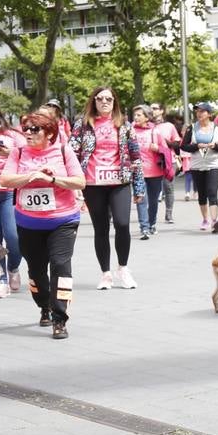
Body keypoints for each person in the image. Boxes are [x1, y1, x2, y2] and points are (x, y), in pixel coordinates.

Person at [0, 111, 85, 338]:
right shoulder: (18, 152)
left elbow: (80, 181)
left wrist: (52, 179)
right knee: (36, 271)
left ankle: (60, 318)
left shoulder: (64, 151)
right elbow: (5, 179)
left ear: (49, 132)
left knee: (60, 266)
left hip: (63, 221)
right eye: (25, 128)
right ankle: (44, 306)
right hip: (29, 223)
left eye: (34, 129)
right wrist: (31, 175)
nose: (27, 133)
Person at [71, 85, 145, 289]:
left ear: (115, 102)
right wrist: (74, 185)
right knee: (101, 228)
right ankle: (105, 273)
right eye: (100, 98)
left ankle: (123, 268)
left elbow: (136, 157)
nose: (104, 102)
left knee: (122, 224)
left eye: (109, 99)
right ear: (93, 101)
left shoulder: (125, 125)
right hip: (93, 183)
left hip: (119, 181)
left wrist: (139, 187)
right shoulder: (82, 124)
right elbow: (72, 155)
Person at [0, 96, 25, 298]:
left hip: (9, 193)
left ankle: (14, 268)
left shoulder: (11, 135)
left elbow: (28, 156)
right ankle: (1, 280)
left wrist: (9, 153)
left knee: (14, 236)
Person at [181, 103, 218, 233]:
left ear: (209, 114)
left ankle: (214, 221)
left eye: (203, 111)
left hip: (213, 165)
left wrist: (215, 146)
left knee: (212, 192)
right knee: (202, 194)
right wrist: (196, 146)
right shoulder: (191, 128)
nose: (199, 114)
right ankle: (205, 219)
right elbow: (183, 146)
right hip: (197, 165)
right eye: (197, 111)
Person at [131, 106, 171, 239]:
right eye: (135, 115)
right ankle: (144, 228)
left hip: (155, 172)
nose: (135, 117)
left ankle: (152, 223)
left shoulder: (155, 131)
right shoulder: (130, 131)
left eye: (139, 115)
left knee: (153, 200)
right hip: (138, 172)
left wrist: (157, 148)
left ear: (146, 118)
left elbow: (166, 150)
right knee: (141, 199)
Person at [151, 104, 180, 224]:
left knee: (168, 187)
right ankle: (151, 215)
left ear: (161, 111)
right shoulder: (148, 126)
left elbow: (177, 143)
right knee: (153, 190)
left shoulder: (169, 126)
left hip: (168, 160)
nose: (153, 111)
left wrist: (166, 143)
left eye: (155, 108)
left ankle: (169, 214)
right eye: (151, 109)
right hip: (152, 162)